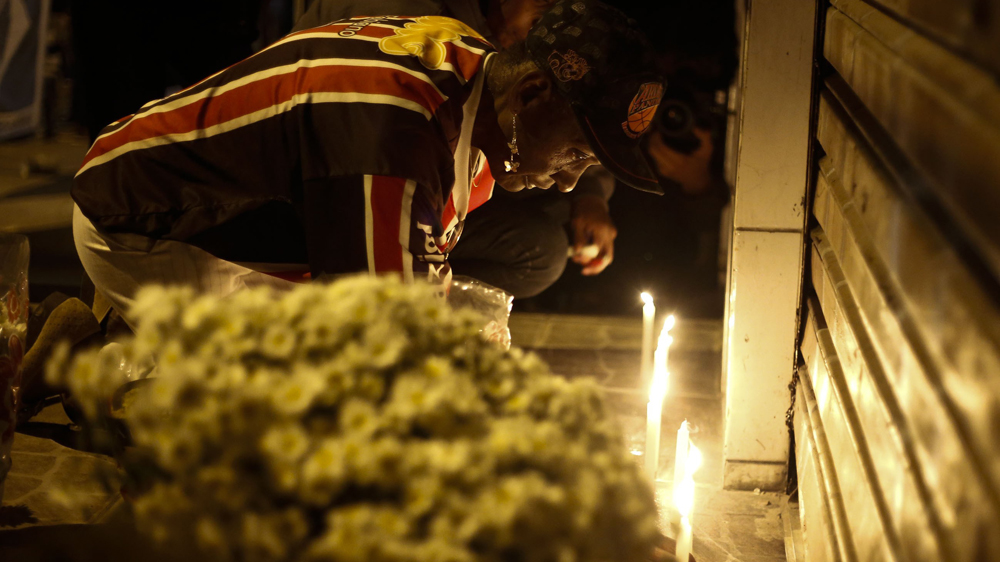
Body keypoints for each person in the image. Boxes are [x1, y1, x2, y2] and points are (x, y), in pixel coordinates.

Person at [71, 0, 667, 327]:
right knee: (268, 438)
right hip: (142, 229)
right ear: (532, 94)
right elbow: (385, 342)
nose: (567, 180)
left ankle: (127, 347)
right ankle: (110, 365)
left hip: (182, 201)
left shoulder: (469, 69)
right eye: (574, 154)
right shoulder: (395, 135)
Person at [293, 0, 625, 298]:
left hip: (384, 165)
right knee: (540, 243)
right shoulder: (424, 44)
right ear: (528, 92)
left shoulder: (491, 59)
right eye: (545, 13)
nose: (551, 35)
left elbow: (566, 124)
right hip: (323, 179)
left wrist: (592, 195)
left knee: (547, 208)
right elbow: (368, 145)